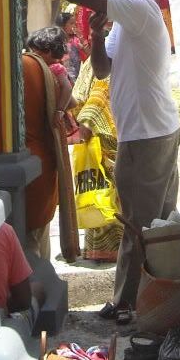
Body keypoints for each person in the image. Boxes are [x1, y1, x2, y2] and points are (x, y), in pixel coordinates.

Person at [23, 0, 180, 323]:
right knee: (156, 224)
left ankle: (127, 302)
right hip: (146, 132)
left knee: (136, 224)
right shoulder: (122, 23)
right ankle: (159, 298)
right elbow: (102, 69)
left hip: (148, 135)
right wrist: (95, 35)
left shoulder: (141, 9)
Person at [22, 30, 80, 263]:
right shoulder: (46, 70)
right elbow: (72, 100)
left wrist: (57, 110)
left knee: (31, 242)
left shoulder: (29, 67)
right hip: (47, 162)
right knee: (39, 236)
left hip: (34, 166)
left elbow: (69, 95)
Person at [74, 64, 124, 263]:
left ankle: (109, 249)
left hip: (106, 134)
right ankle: (113, 249)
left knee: (102, 190)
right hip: (110, 134)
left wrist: (85, 121)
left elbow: (94, 96)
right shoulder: (92, 62)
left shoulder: (101, 60)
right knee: (104, 191)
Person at [57, 9, 89, 83]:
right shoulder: (58, 42)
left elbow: (88, 53)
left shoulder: (75, 40)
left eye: (75, 23)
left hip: (76, 76)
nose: (74, 26)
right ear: (63, 26)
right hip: (63, 76)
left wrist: (81, 38)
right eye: (71, 23)